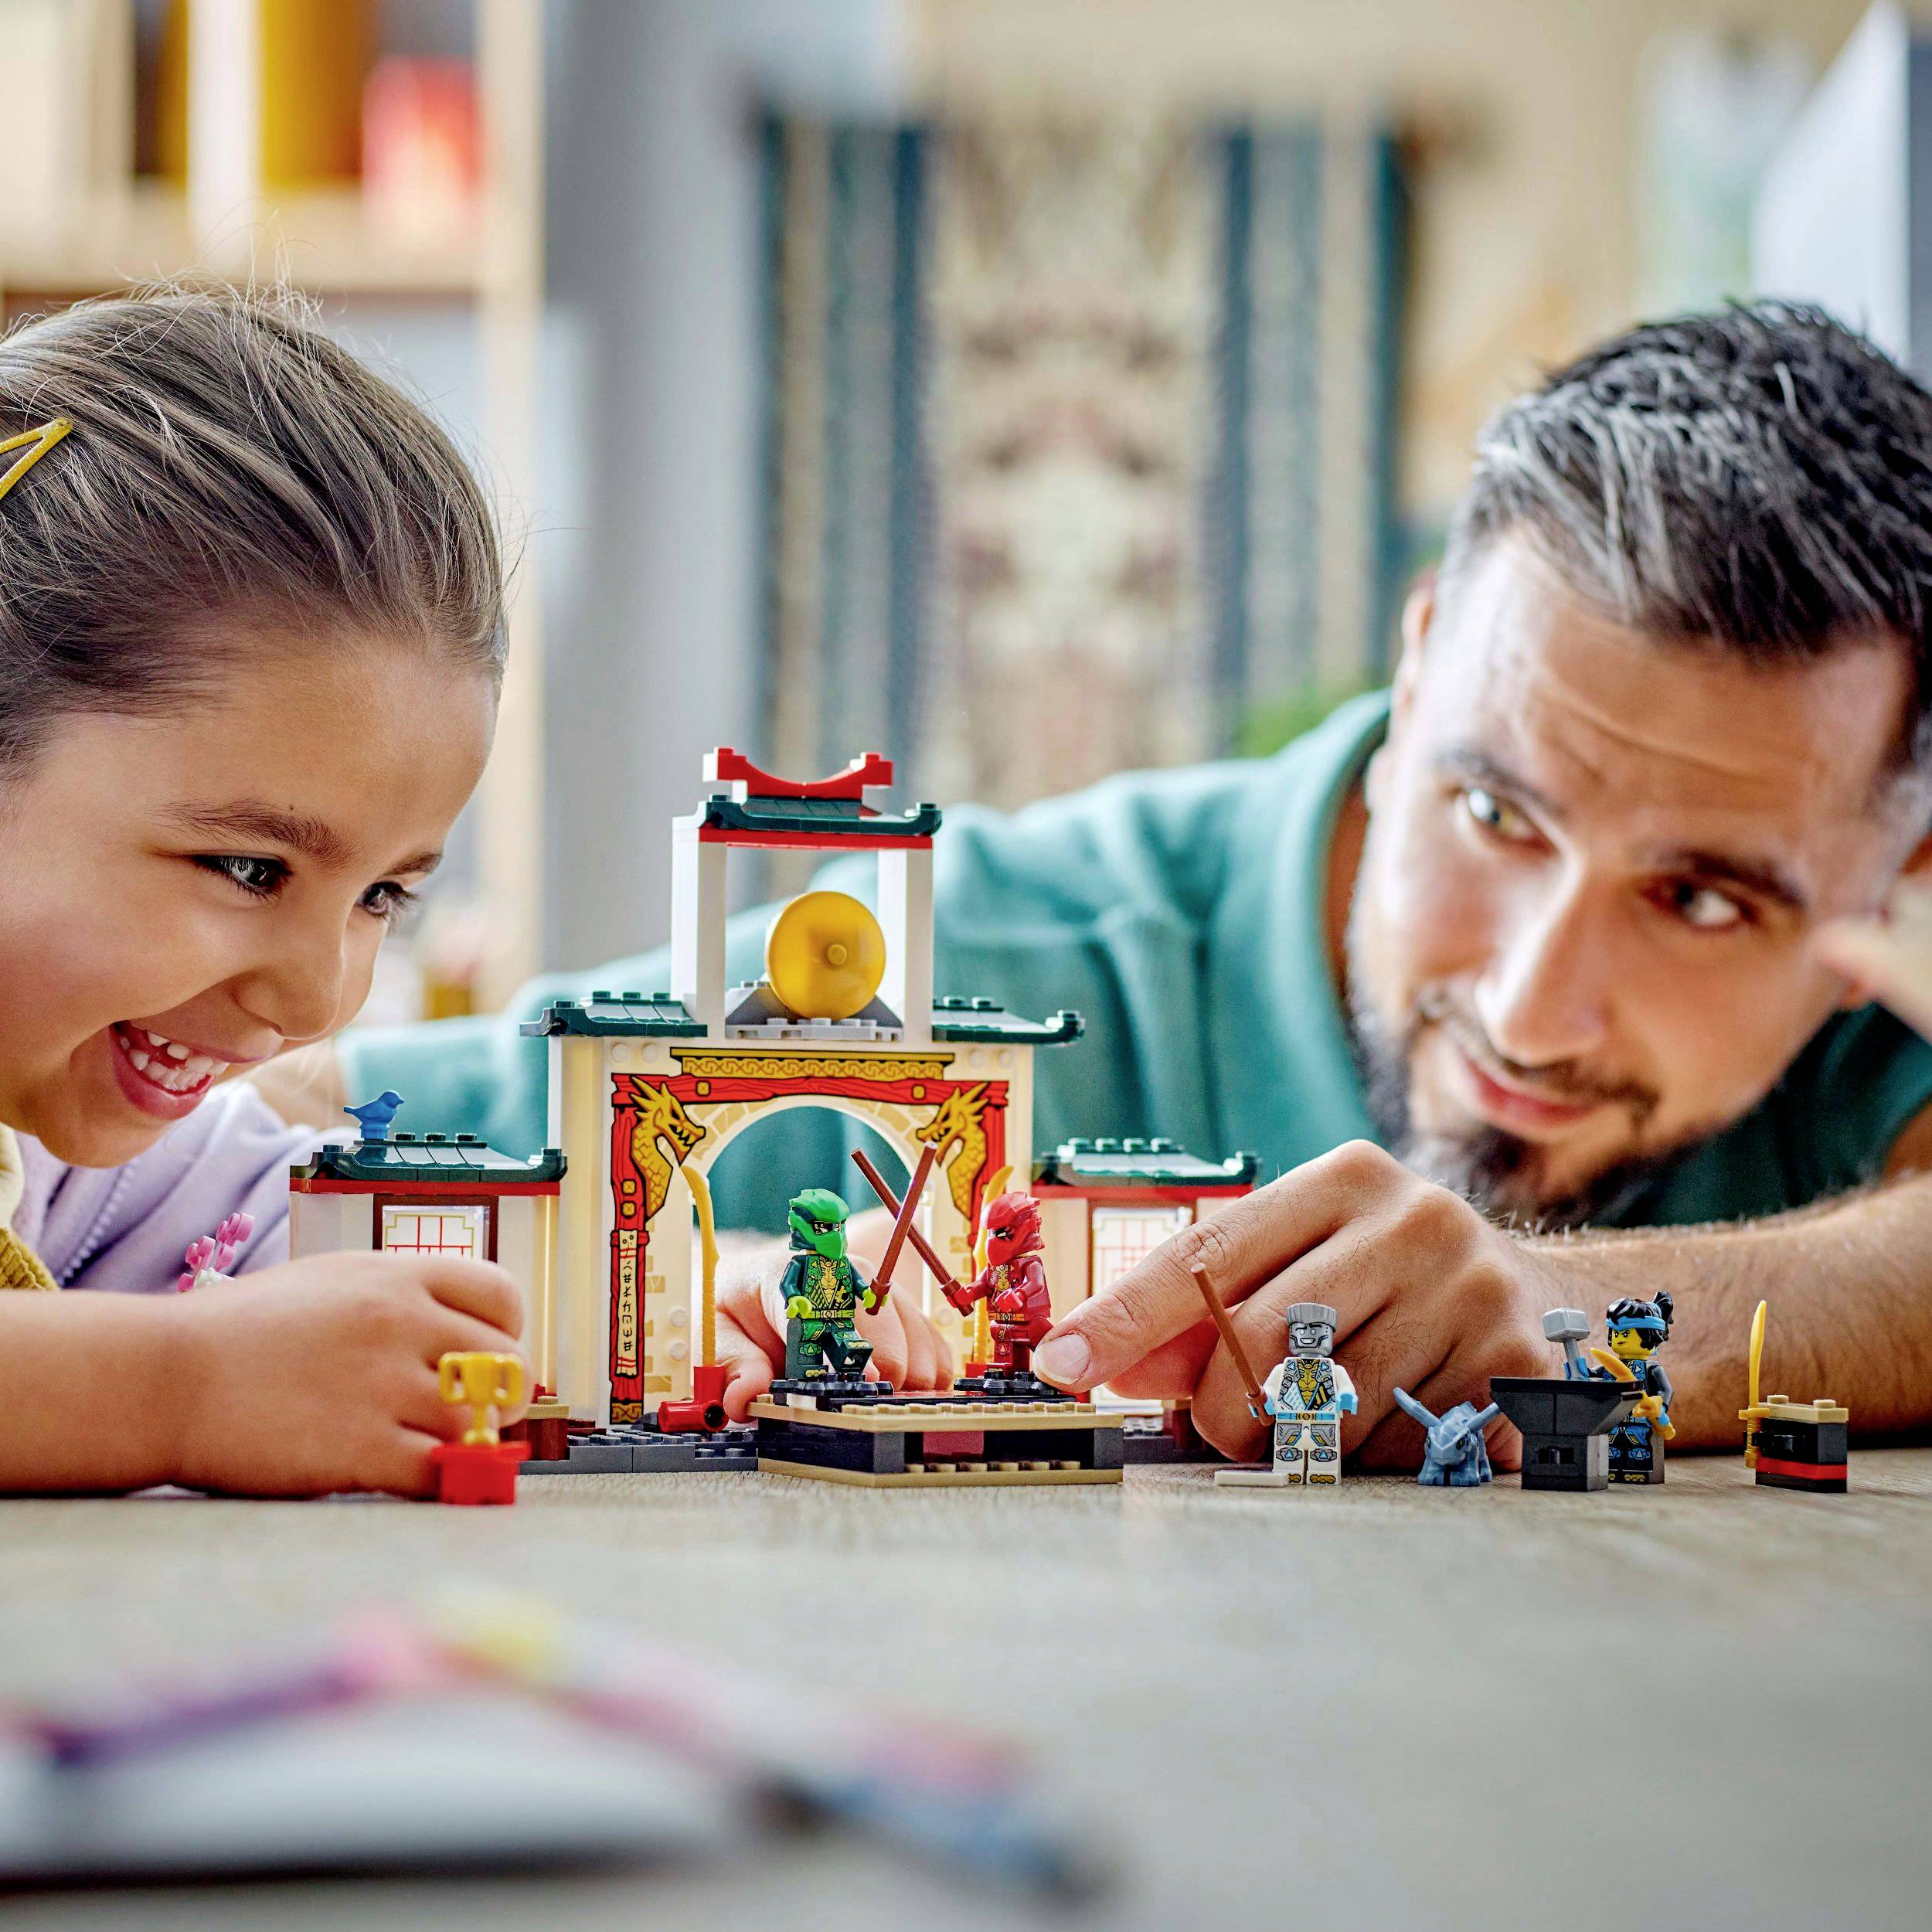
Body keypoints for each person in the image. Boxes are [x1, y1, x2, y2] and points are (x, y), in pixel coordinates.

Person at [313, 301, 1932, 1464]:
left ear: (1899, 874)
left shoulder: (1883, 1017)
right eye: (1495, 814)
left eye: (1702, 902)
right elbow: (242, 1129)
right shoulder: (990, 962)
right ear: (1420, 656)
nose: (1526, 1001)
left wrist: (1564, 1310)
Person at [0, 287, 526, 1495]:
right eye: (250, 870)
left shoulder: (74, 1138)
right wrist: (179, 1386)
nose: (313, 996)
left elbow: (345, 1251)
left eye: (382, 899)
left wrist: (739, 1295)